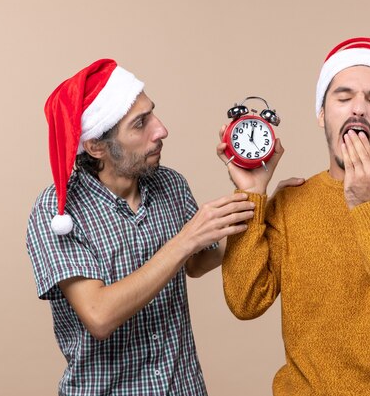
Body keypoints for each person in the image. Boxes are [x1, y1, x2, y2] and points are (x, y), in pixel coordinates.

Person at [217, 37, 370, 395]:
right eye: (343, 97)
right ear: (322, 114)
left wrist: (364, 206)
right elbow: (244, 300)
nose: (358, 108)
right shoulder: (292, 201)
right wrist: (252, 192)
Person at [26, 58, 255, 395]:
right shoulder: (57, 211)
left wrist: (257, 201)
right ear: (95, 146)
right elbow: (98, 314)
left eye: (153, 114)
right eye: (140, 124)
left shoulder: (170, 184)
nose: (161, 130)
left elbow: (197, 261)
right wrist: (186, 239)